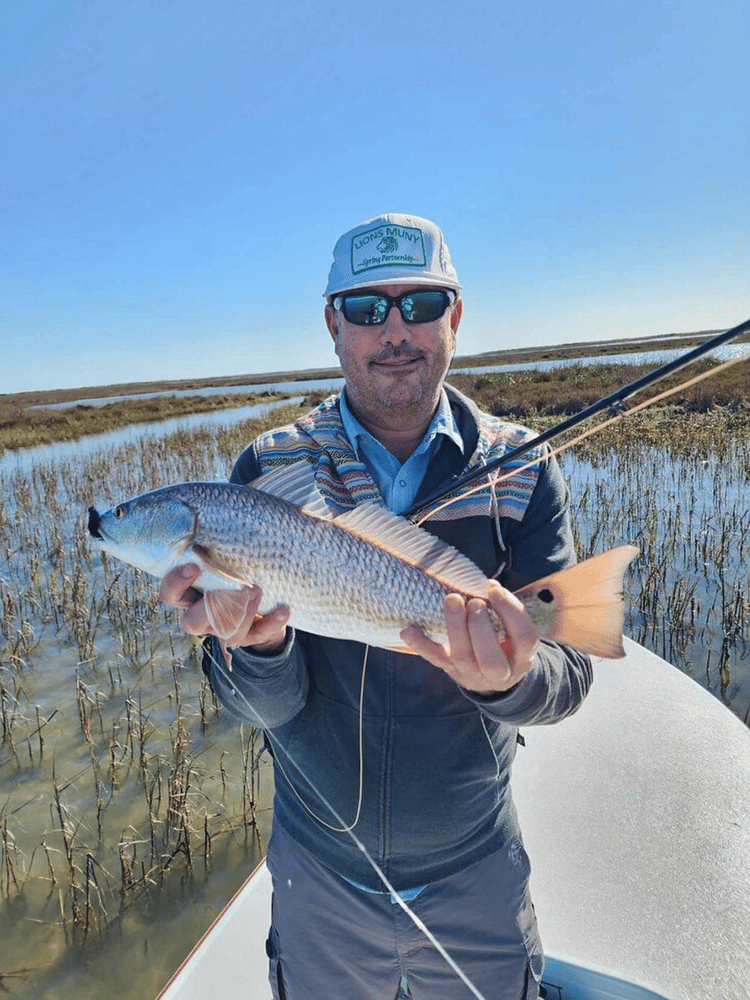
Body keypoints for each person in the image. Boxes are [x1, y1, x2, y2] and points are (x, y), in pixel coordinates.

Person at [160, 213, 592, 1000]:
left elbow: (568, 675)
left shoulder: (523, 467)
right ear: (333, 324)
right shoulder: (269, 466)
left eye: (421, 303)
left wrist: (509, 680)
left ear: (454, 316)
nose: (395, 330)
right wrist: (253, 650)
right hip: (318, 869)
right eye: (366, 308)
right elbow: (258, 706)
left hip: (476, 860)